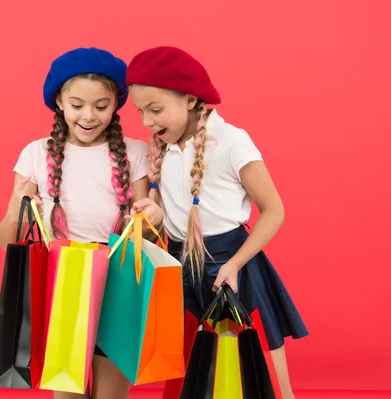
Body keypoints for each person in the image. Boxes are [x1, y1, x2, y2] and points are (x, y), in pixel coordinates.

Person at [125, 46, 308, 399]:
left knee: (252, 371)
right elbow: (171, 214)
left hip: (231, 266)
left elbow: (274, 210)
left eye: (156, 110)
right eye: (141, 111)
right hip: (182, 269)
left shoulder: (231, 141)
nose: (147, 121)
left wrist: (236, 264)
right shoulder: (161, 148)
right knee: (194, 372)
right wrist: (153, 212)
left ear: (191, 100)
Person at [0, 47, 160, 399]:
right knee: (67, 391)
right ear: (59, 102)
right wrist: (19, 204)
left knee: (110, 392)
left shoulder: (135, 153)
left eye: (101, 106)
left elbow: (146, 234)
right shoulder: (36, 154)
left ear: (116, 104)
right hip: (63, 277)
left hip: (118, 275)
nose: (89, 116)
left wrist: (148, 216)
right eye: (77, 105)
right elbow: (7, 239)